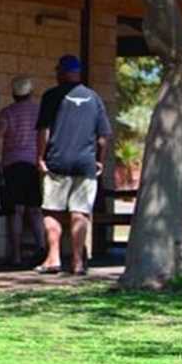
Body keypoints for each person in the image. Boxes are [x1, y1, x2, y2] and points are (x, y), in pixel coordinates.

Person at [35, 55, 112, 275]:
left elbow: (44, 130)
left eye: (58, 70)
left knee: (52, 211)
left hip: (57, 162)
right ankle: (78, 261)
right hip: (85, 164)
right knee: (81, 212)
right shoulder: (94, 98)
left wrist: (40, 157)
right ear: (78, 73)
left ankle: (54, 258)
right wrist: (100, 160)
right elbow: (104, 135)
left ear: (62, 72)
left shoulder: (51, 96)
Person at [0, 75, 46, 266]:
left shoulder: (7, 112)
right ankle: (42, 250)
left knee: (15, 212)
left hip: (12, 165)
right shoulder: (39, 112)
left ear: (14, 93)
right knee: (35, 210)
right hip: (33, 165)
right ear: (31, 92)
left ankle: (16, 256)